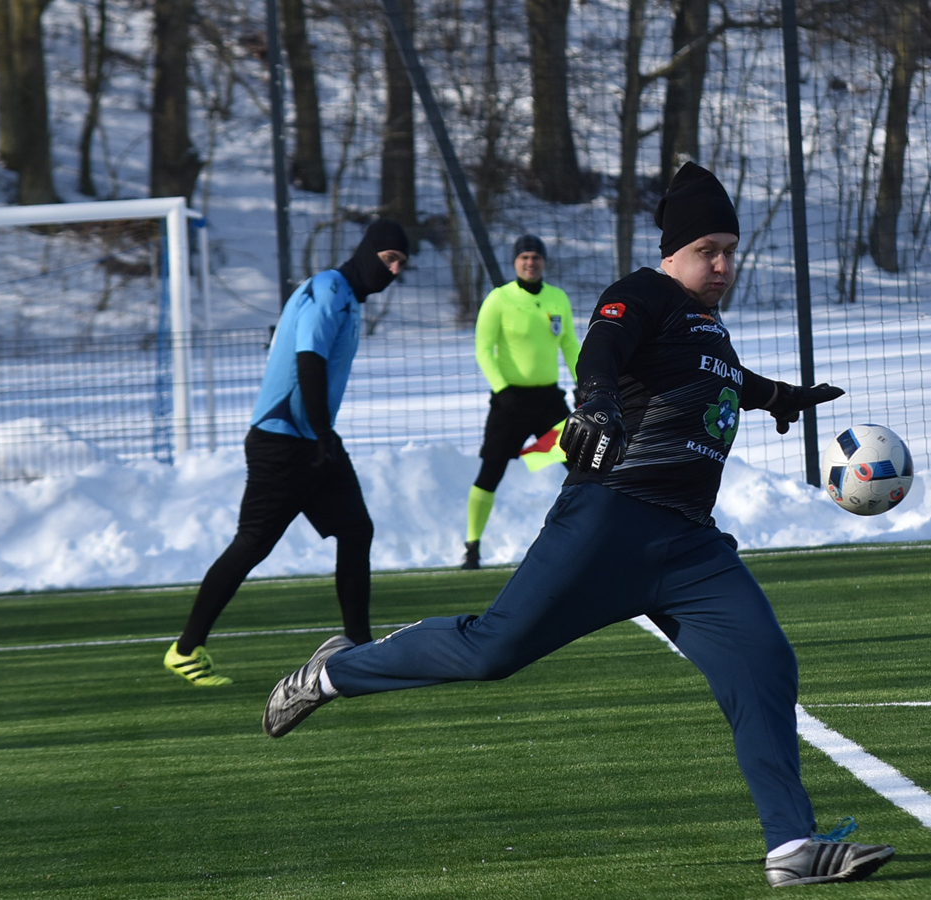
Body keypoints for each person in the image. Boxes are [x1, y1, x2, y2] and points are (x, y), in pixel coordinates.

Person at [262, 165, 892, 887]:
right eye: (708, 250)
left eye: (730, 249)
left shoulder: (707, 326)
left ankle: (792, 848)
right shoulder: (642, 293)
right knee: (491, 653)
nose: (723, 264)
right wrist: (596, 406)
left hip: (690, 544)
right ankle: (333, 671)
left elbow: (726, 377)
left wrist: (782, 396)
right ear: (675, 250)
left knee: (765, 662)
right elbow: (603, 353)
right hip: (609, 519)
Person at [162, 220, 409, 687]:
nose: (394, 270)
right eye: (388, 259)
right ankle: (184, 649)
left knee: (356, 529)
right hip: (282, 442)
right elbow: (308, 358)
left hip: (311, 440)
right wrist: (320, 432)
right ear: (366, 252)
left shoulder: (351, 301)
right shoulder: (327, 289)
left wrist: (321, 436)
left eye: (401, 264)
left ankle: (359, 645)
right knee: (253, 543)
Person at [463, 234, 580, 570]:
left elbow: (570, 345)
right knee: (491, 471)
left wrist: (586, 383)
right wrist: (502, 389)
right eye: (524, 257)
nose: (531, 263)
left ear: (544, 262)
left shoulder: (557, 298)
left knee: (581, 467)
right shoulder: (499, 299)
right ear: (515, 262)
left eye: (536, 257)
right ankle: (472, 546)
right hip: (509, 403)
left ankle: (592, 536)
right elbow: (483, 350)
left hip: (549, 402)